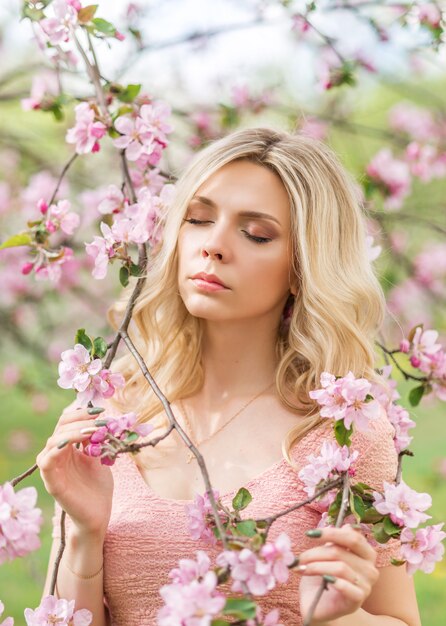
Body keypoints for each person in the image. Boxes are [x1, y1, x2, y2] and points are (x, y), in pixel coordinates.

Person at [38, 127, 422, 626]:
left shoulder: (343, 441)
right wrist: (84, 538)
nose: (213, 245)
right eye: (198, 220)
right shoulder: (109, 422)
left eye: (256, 233)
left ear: (303, 265)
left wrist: (336, 620)